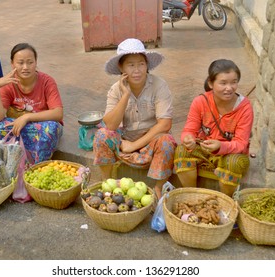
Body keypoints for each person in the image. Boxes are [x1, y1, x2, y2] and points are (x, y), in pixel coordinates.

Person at [93, 38, 177, 200]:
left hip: (151, 142)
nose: (137, 70)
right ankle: (107, 182)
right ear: (121, 68)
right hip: (124, 142)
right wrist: (125, 95)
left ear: (147, 65)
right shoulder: (116, 90)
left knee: (167, 142)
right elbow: (110, 125)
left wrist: (134, 146)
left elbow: (165, 124)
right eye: (131, 65)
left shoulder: (159, 85)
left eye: (141, 64)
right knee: (102, 135)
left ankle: (158, 189)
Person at [174, 59, 253, 197]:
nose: (229, 88)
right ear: (211, 83)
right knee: (182, 150)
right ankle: (192, 196)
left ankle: (226, 200)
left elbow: (241, 143)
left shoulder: (244, 108)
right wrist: (188, 138)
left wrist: (220, 146)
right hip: (204, 152)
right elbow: (189, 129)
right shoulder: (200, 102)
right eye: (223, 83)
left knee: (233, 162)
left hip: (230, 155)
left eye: (234, 82)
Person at [0, 43, 63, 164]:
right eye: (20, 62)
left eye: (30, 62)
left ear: (36, 63)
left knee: (52, 128)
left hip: (41, 126)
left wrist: (27, 117)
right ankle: (14, 160)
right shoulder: (8, 83)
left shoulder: (47, 81)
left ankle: (36, 165)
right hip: (20, 127)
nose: (25, 67)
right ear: (12, 64)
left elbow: (58, 113)